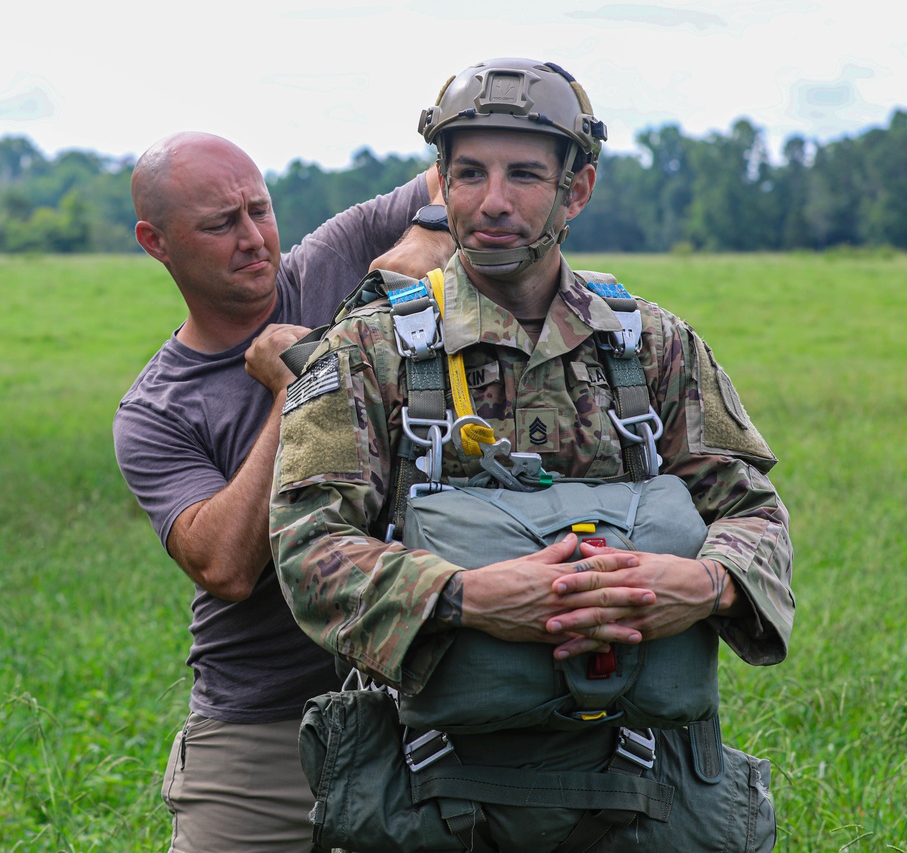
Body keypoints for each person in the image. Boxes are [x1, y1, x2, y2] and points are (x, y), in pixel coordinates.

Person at [270, 60, 795, 852]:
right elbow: (306, 548)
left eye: (524, 175)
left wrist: (702, 582)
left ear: (575, 190)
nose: (493, 202)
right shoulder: (367, 351)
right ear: (439, 184)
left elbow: (755, 514)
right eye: (469, 173)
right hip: (429, 791)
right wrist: (466, 597)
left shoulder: (653, 346)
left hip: (642, 793)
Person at [113, 130, 454, 853]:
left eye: (259, 210)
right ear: (157, 241)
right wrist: (297, 387)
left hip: (424, 695)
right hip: (260, 724)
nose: (253, 238)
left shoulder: (332, 258)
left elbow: (463, 171)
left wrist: (430, 231)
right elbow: (225, 566)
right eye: (220, 224)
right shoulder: (155, 411)